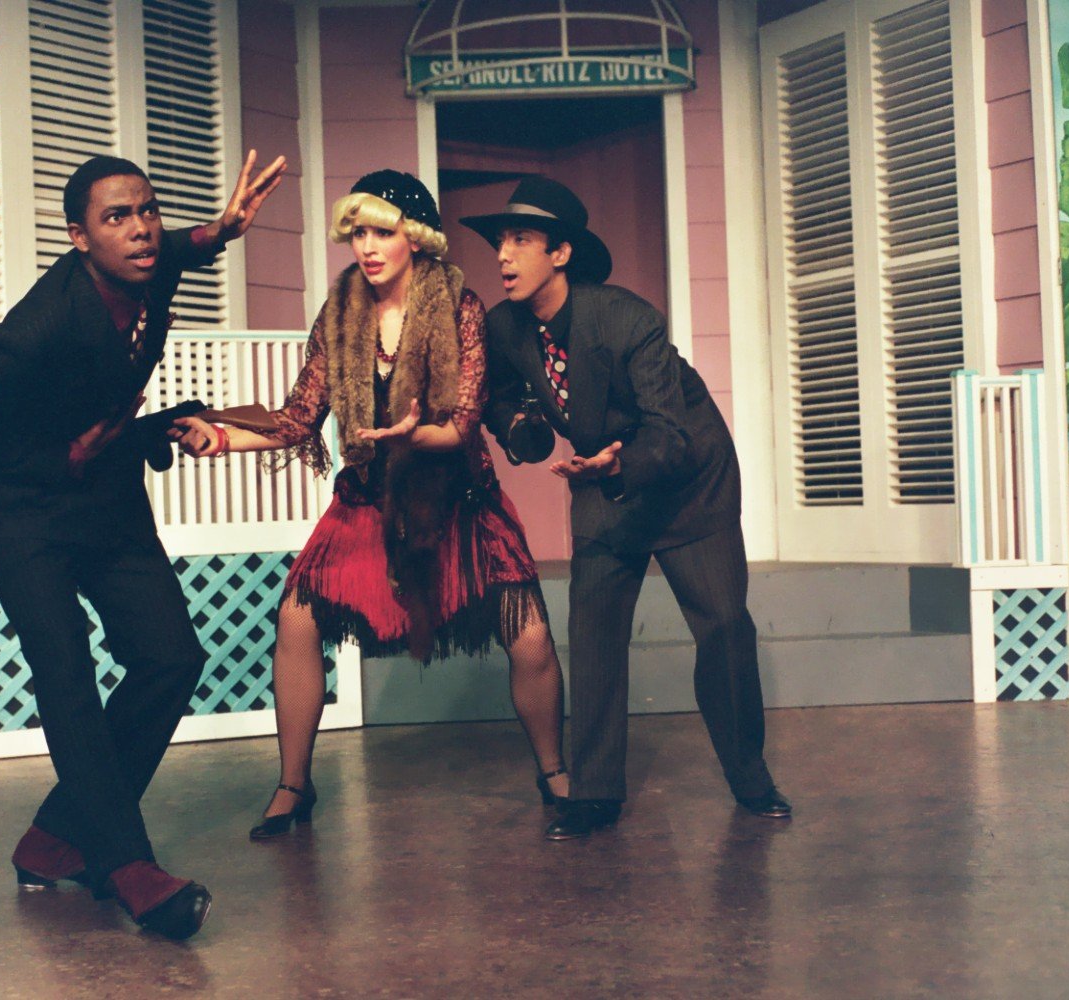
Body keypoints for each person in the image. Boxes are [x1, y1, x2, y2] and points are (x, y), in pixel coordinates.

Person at [0, 150, 286, 938]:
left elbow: (174, 250)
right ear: (79, 237)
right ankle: (126, 865)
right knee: (68, 670)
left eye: (146, 210)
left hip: (106, 492)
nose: (141, 230)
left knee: (172, 657)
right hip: (23, 505)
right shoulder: (41, 323)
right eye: (116, 218)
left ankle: (55, 837)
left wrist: (216, 231)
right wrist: (59, 456)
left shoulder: (151, 268)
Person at [174, 170, 570, 840]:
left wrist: (417, 431)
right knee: (297, 620)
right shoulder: (340, 316)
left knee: (529, 636)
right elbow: (300, 417)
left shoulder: (459, 308)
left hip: (457, 504)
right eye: (358, 231)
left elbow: (468, 419)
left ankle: (555, 775)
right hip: (367, 503)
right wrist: (219, 437)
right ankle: (293, 786)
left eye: (382, 230)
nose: (367, 245)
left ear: (414, 238)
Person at [460, 176, 792, 841]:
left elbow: (669, 434)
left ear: (560, 253)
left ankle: (750, 775)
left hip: (683, 480)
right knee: (595, 631)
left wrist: (618, 466)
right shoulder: (504, 326)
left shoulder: (627, 319)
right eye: (500, 241)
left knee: (725, 627)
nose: (503, 256)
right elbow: (500, 395)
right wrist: (524, 425)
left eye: (520, 240)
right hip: (600, 482)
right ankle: (596, 793)